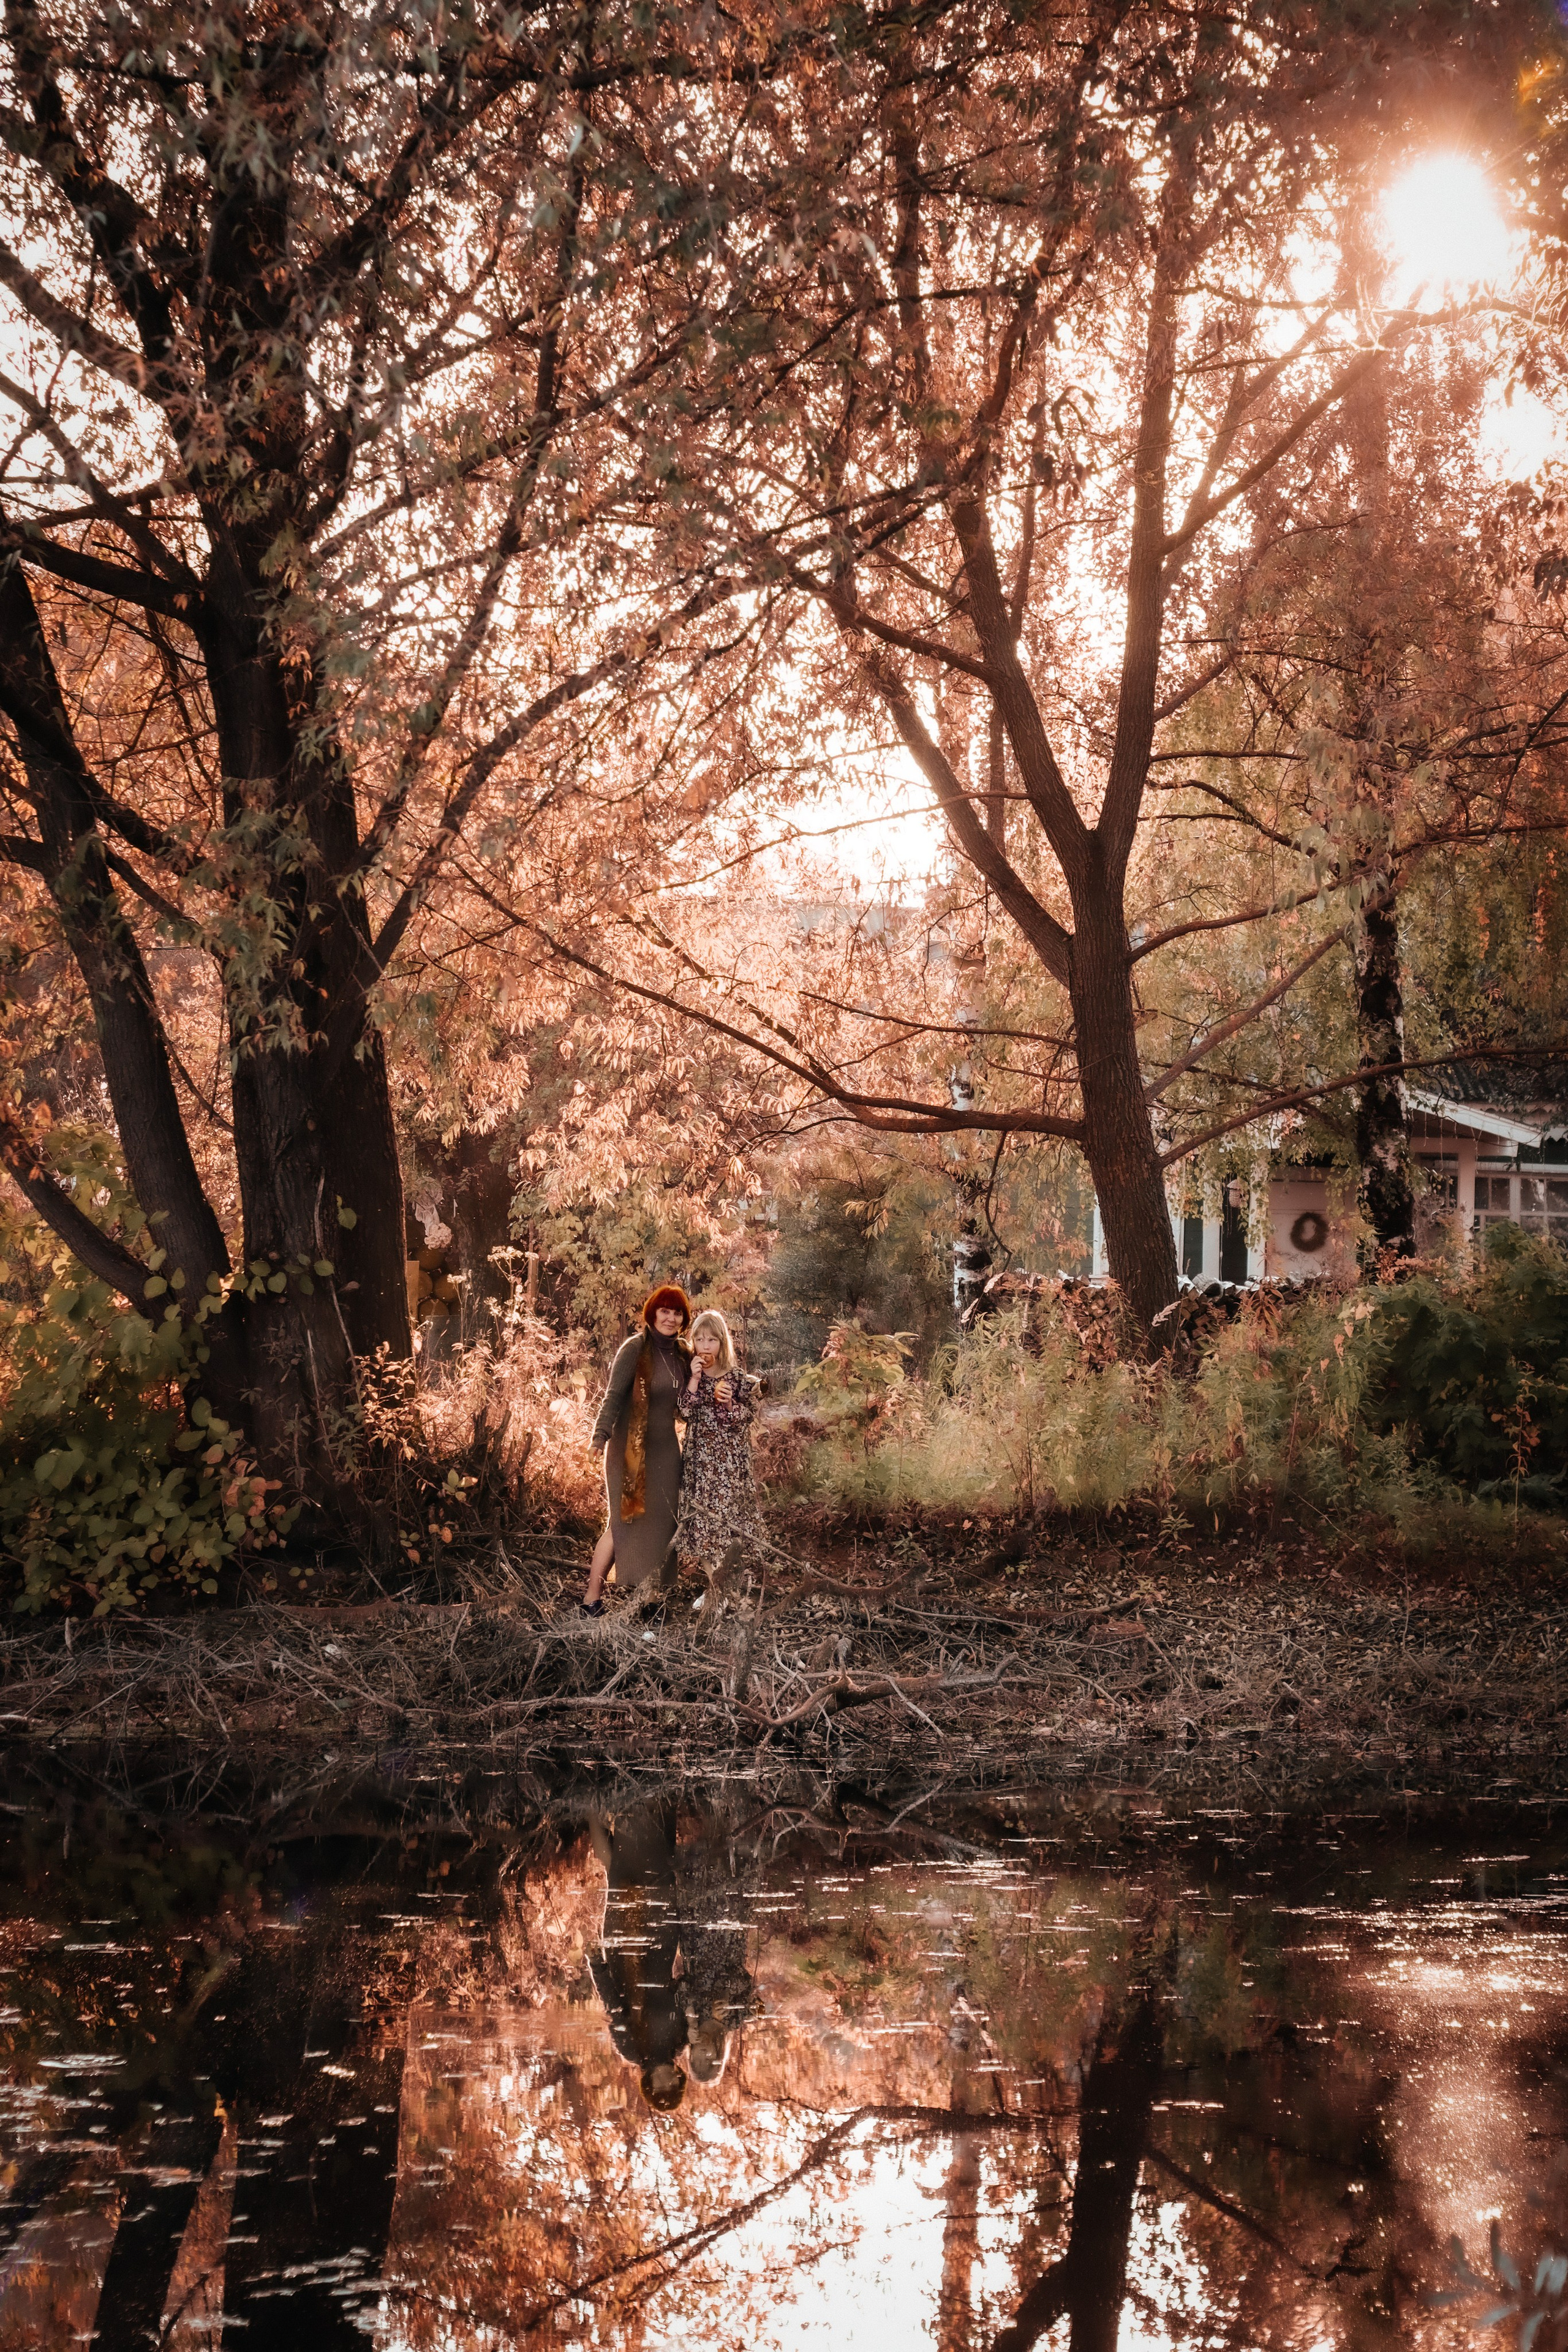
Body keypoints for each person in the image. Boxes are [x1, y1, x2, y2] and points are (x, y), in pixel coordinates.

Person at [581, 1285, 690, 1614]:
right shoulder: (634, 1349)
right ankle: (591, 1599)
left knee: (660, 1526)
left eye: (677, 1312)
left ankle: (650, 1602)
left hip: (666, 1454)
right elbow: (612, 1397)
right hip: (630, 1451)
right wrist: (599, 1437)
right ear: (653, 1313)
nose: (671, 1318)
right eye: (665, 1311)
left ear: (683, 1318)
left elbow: (686, 1408)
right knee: (623, 1522)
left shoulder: (683, 1355)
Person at [587, 1804, 688, 2113]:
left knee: (621, 1879)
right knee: (659, 1873)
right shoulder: (680, 2043)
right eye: (672, 2087)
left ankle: (604, 1806)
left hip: (623, 1953)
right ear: (678, 2080)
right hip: (662, 1947)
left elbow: (614, 2007)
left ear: (649, 2086)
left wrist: (597, 1967)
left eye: (661, 2089)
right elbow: (685, 1991)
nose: (666, 2083)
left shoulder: (632, 2051)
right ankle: (658, 1798)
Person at [674, 1308, 767, 1596]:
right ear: (694, 1343)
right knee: (701, 1520)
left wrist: (729, 1406)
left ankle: (724, 1586)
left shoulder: (737, 1377)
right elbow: (683, 1413)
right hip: (700, 1459)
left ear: (722, 1343)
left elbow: (747, 1417)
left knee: (726, 1521)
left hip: (728, 1461)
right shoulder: (693, 1373)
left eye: (712, 1340)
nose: (705, 1346)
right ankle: (716, 1589)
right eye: (699, 1340)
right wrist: (693, 1380)